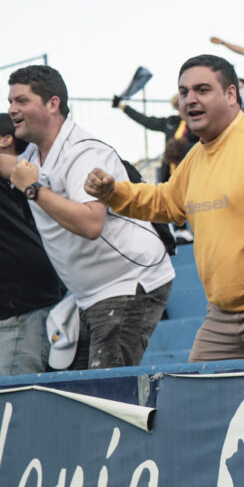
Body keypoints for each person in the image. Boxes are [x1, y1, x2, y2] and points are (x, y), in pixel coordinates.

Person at [84, 55, 244, 361]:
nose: (190, 99)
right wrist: (113, 192)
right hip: (221, 315)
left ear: (231, 94)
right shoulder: (195, 156)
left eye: (202, 90)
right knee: (196, 390)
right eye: (184, 92)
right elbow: (166, 201)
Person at [2, 66, 174, 369]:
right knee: (77, 388)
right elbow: (12, 167)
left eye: (22, 101)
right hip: (88, 295)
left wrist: (33, 189)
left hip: (127, 285)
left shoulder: (83, 153)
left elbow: (91, 224)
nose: (12, 109)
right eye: (10, 101)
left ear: (52, 104)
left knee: (104, 388)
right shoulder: (33, 155)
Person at [0, 113, 63, 375]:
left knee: (16, 398)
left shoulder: (33, 179)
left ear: (5, 139)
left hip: (21, 311)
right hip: (26, 306)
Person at [113, 93, 197, 181]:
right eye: (178, 106)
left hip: (191, 172)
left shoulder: (198, 125)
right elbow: (147, 121)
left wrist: (182, 148)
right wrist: (123, 107)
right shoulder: (170, 122)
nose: (181, 109)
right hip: (171, 175)